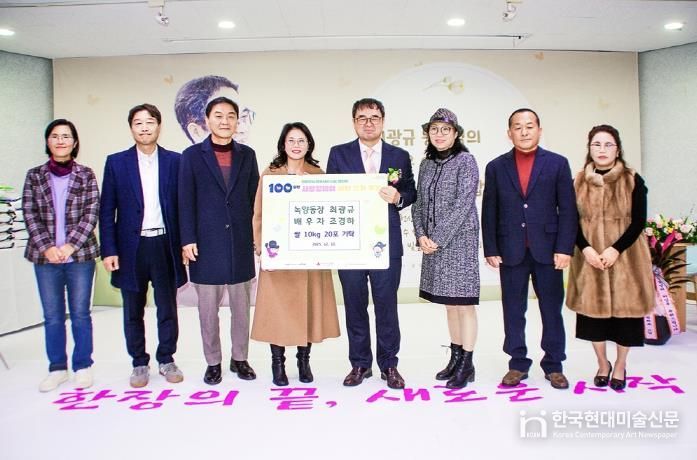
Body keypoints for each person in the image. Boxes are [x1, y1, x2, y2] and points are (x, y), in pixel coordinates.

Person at [481, 108, 577, 389]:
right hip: (511, 250)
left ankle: (554, 364)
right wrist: (491, 248)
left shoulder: (557, 163)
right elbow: (489, 210)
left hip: (548, 250)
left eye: (529, 126)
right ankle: (517, 363)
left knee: (551, 310)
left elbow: (568, 209)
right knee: (513, 310)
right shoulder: (496, 167)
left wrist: (565, 248)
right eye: (518, 127)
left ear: (539, 130)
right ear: (509, 133)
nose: (524, 131)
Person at [327, 98, 416, 389]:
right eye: (362, 118)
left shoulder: (398, 155)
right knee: (354, 305)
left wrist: (398, 198)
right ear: (354, 122)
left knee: (386, 305)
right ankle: (360, 364)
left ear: (383, 121)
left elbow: (410, 191)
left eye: (374, 117)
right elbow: (329, 192)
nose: (368, 123)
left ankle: (389, 365)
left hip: (386, 242)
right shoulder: (338, 154)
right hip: (349, 242)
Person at [99, 103, 187, 388]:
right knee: (132, 309)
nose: (145, 127)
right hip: (130, 248)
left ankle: (167, 358)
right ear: (131, 128)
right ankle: (139, 362)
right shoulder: (116, 162)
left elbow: (184, 207)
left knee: (167, 307)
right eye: (138, 123)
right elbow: (106, 210)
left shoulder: (175, 161)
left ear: (159, 126)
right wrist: (109, 249)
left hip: (164, 244)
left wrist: (185, 243)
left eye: (150, 122)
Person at [251, 122, 340, 386]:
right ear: (283, 144)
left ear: (309, 144)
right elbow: (258, 214)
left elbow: (329, 213)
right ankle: (278, 363)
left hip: (309, 257)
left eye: (301, 140)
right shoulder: (270, 173)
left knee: (307, 309)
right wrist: (261, 247)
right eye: (291, 140)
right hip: (278, 256)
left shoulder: (318, 174)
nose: (296, 145)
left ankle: (304, 361)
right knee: (277, 311)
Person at [566, 125, 654, 391]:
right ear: (589, 148)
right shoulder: (578, 181)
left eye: (608, 144)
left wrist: (615, 249)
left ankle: (620, 365)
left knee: (627, 318)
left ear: (618, 149)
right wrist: (587, 249)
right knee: (593, 319)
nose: (602, 150)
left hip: (627, 259)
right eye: (597, 144)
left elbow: (638, 221)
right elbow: (570, 221)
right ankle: (602, 363)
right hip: (589, 260)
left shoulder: (632, 179)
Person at [179, 96, 260, 385]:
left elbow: (254, 198)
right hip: (206, 244)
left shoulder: (247, 155)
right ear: (207, 120)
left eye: (230, 116)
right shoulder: (191, 156)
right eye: (218, 115)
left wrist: (257, 235)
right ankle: (213, 362)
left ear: (236, 121)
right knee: (207, 311)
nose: (225, 121)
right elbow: (185, 199)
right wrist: (187, 238)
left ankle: (240, 359)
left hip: (240, 242)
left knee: (241, 308)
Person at [22, 119, 99, 392]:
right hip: (45, 258)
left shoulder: (86, 174)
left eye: (66, 136)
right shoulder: (34, 176)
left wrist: (69, 246)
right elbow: (29, 213)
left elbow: (91, 213)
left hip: (80, 257)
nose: (60, 141)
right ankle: (57, 368)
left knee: (80, 314)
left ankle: (83, 366)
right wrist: (47, 247)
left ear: (74, 142)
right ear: (48, 141)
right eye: (55, 136)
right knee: (53, 315)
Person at [411, 108, 480, 389]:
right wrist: (421, 235)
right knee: (450, 305)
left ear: (455, 134)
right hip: (432, 244)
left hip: (459, 243)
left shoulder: (466, 161)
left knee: (464, 305)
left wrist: (436, 238)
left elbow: (463, 204)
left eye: (445, 130)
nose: (439, 134)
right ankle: (455, 357)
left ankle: (467, 363)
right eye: (434, 129)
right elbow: (418, 203)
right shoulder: (426, 164)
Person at [174, 75, 255, 145]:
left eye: (244, 116)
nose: (242, 129)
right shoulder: (187, 156)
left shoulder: (249, 154)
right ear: (196, 132)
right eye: (220, 118)